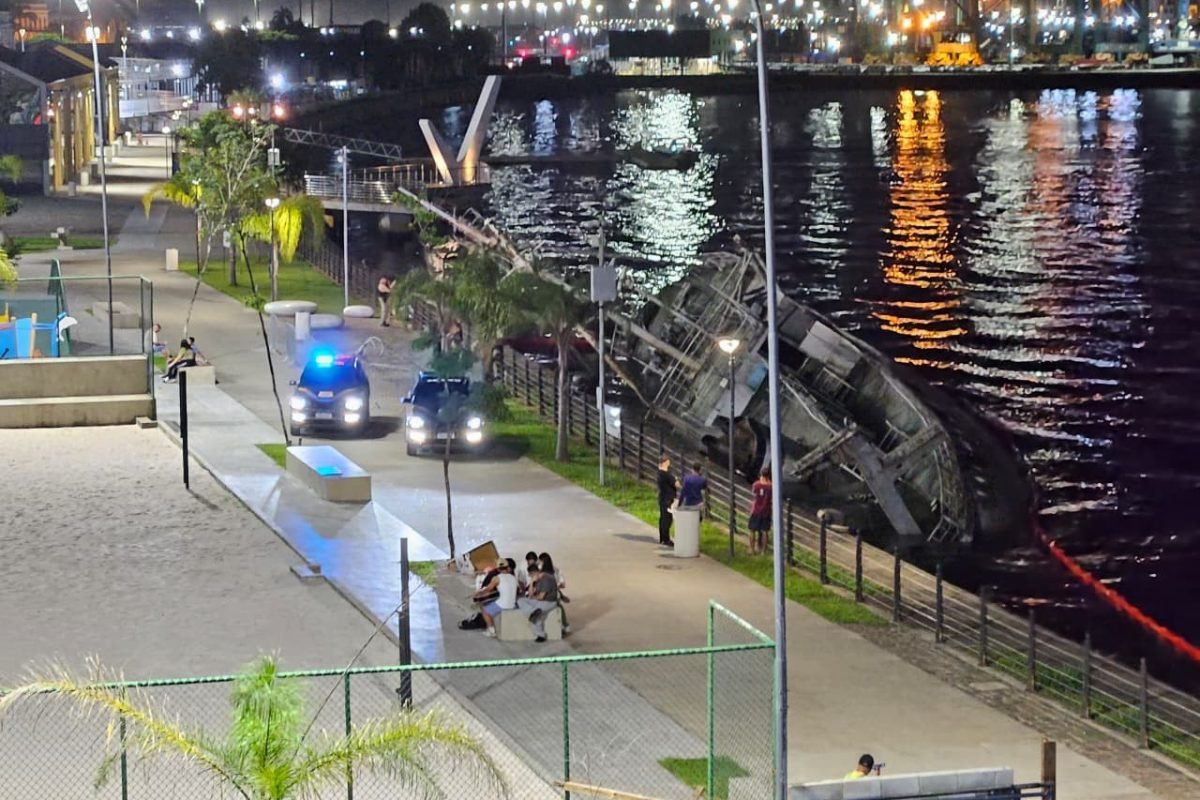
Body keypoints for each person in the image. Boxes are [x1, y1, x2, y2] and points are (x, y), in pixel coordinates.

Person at [516, 557, 561, 643]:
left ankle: (540, 635)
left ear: (534, 573)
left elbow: (541, 597)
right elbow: (530, 594)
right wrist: (532, 583)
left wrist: (533, 597)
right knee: (521, 600)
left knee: (535, 615)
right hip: (541, 600)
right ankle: (533, 612)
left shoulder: (547, 579)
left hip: (549, 602)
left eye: (531, 575)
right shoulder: (538, 579)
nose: (530, 577)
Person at [477, 558, 519, 638]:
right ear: (507, 567)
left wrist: (479, 593)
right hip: (513, 605)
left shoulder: (496, 578)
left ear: (498, 568)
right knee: (495, 601)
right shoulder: (513, 578)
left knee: (484, 609)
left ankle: (491, 630)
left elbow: (488, 589)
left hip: (503, 605)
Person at [538, 552, 571, 634]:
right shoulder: (556, 570)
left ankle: (564, 624)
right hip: (554, 594)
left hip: (548, 595)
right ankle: (565, 624)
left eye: (540, 561)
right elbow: (562, 585)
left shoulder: (540, 572)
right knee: (559, 606)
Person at [748, 466, 772, 554]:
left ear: (761, 474)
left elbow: (754, 493)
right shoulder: (770, 486)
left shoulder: (756, 484)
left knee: (752, 529)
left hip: (756, 510)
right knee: (765, 531)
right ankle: (764, 551)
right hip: (766, 510)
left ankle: (751, 549)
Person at [656, 455, 677, 548]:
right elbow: (677, 484)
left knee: (662, 518)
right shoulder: (667, 474)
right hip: (668, 498)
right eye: (668, 461)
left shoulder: (659, 473)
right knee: (667, 519)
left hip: (662, 497)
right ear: (666, 462)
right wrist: (676, 479)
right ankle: (666, 539)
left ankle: (662, 538)